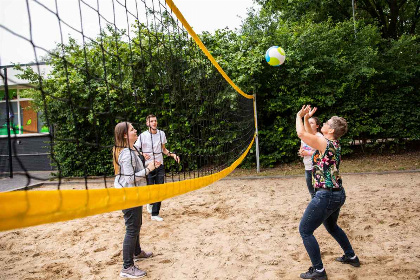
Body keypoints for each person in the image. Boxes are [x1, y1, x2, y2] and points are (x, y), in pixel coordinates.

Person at [295, 105, 360, 280]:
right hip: (338, 193)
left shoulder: (324, 142)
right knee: (331, 227)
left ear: (330, 129)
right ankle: (351, 256)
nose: (322, 123)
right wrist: (307, 119)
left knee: (305, 230)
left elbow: (302, 134)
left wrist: (298, 116)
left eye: (325, 122)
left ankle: (319, 271)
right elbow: (312, 135)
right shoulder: (332, 142)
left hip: (326, 194)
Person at [113, 121, 161, 278]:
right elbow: (129, 178)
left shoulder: (132, 149)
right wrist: (149, 169)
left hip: (135, 194)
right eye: (132, 129)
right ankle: (127, 267)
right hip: (129, 195)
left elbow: (135, 170)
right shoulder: (126, 152)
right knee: (132, 228)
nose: (136, 131)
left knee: (136, 224)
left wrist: (148, 163)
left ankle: (137, 252)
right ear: (125, 135)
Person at [134, 114, 180, 222]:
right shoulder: (143, 136)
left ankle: (155, 214)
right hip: (148, 167)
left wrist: (173, 155)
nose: (154, 123)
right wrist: (142, 154)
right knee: (151, 189)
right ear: (147, 123)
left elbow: (163, 149)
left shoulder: (161, 134)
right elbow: (134, 149)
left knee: (160, 189)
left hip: (160, 165)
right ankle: (150, 203)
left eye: (155, 121)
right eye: (151, 121)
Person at [298, 110, 323, 198]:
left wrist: (307, 152)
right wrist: (301, 152)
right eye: (308, 122)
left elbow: (322, 153)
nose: (308, 124)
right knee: (311, 191)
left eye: (311, 123)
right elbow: (302, 149)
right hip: (307, 166)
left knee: (318, 191)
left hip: (317, 167)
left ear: (317, 126)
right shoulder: (304, 137)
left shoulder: (319, 136)